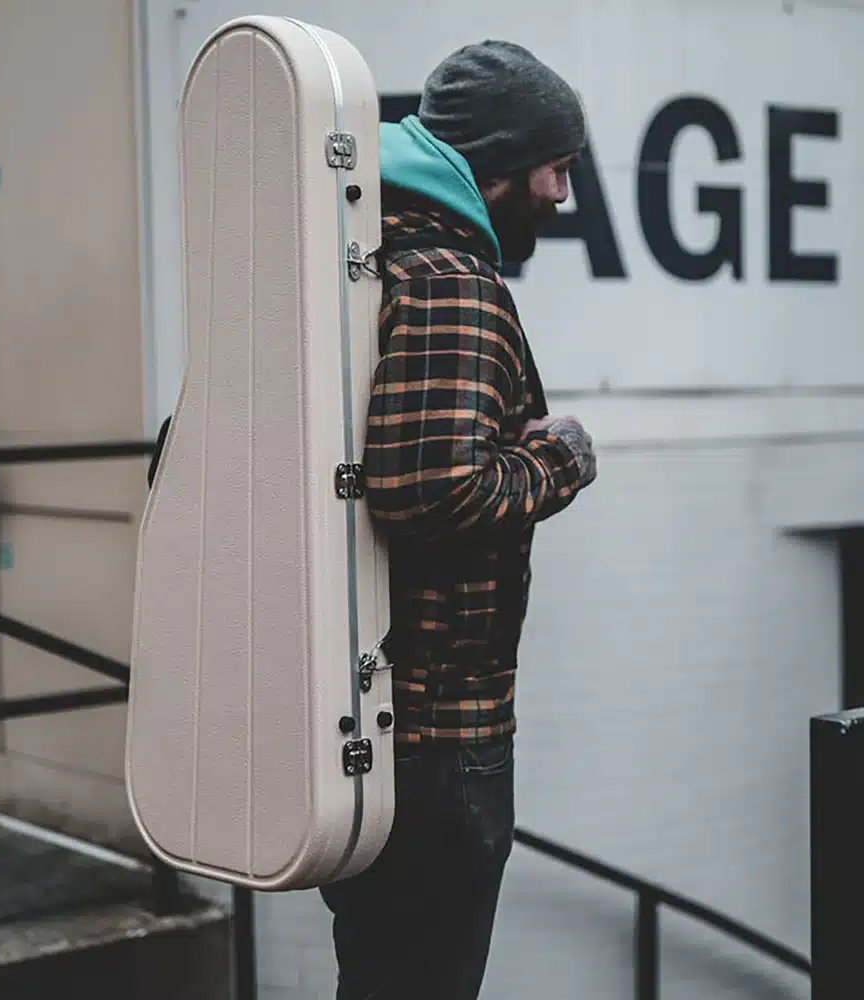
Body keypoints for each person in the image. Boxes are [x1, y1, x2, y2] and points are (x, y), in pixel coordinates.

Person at [318, 40, 598, 999]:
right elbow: (428, 491)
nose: (564, 195)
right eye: (557, 167)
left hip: (398, 731)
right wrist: (561, 458)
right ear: (501, 164)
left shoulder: (380, 250)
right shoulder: (450, 280)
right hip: (441, 744)